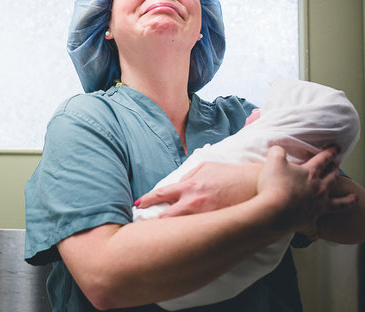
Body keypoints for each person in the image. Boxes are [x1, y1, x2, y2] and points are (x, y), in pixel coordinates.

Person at [24, 0, 365, 311]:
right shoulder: (84, 121)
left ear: (203, 27)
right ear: (106, 25)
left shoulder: (246, 119)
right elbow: (106, 279)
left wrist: (246, 185)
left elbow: (356, 215)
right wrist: (269, 205)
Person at [133, 78, 360, 310]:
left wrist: (255, 180)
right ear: (107, 38)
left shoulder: (247, 115)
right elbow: (102, 274)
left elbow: (358, 218)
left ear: (200, 38)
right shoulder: (98, 122)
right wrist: (282, 194)